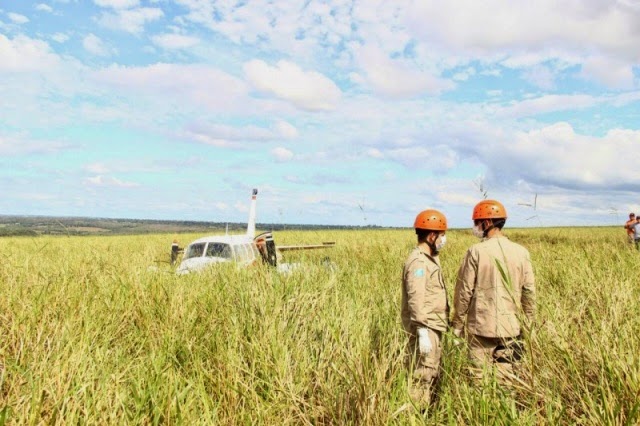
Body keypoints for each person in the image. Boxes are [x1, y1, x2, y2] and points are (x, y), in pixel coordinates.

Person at [452, 199, 535, 382]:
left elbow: (464, 291)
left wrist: (457, 324)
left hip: (481, 328)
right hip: (511, 329)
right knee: (507, 381)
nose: (475, 227)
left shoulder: (476, 251)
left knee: (479, 381)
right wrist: (527, 325)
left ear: (487, 223)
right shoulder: (521, 252)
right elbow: (529, 293)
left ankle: (481, 411)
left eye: (476, 222)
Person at [401, 209, 449, 405]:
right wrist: (421, 330)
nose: (443, 240)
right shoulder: (419, 262)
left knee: (431, 372)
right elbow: (416, 297)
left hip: (433, 327)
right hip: (426, 328)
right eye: (442, 235)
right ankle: (416, 414)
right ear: (432, 235)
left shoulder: (429, 258)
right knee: (422, 375)